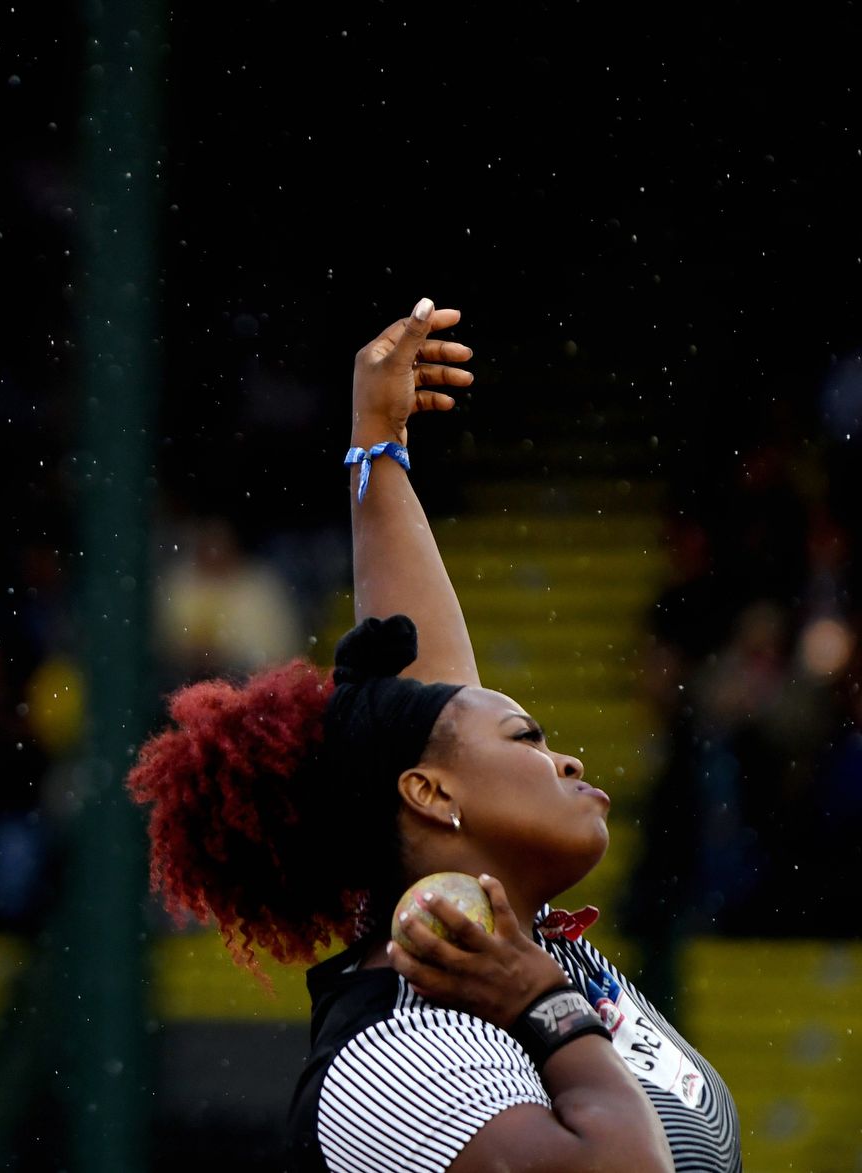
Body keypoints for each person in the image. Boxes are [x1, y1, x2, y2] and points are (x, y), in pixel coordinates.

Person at [128, 300, 740, 1171]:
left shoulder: (529, 951)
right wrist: (542, 1005)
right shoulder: (401, 1051)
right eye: (527, 737)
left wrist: (377, 440)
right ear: (431, 797)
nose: (565, 756)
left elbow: (432, 705)